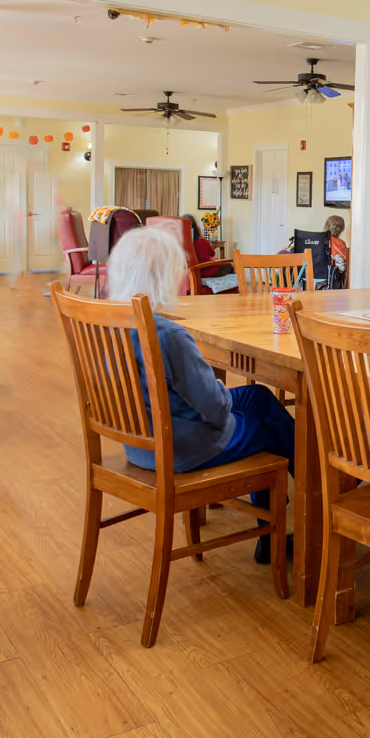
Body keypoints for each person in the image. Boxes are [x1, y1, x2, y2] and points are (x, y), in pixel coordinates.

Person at [105, 225, 290, 561]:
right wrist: (215, 386)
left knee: (260, 397)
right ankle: (299, 510)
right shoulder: (168, 335)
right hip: (184, 450)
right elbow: (217, 410)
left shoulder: (109, 324)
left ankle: (297, 499)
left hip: (140, 444)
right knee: (268, 429)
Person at [323, 213, 349, 289]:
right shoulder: (341, 243)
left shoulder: (319, 241)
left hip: (316, 273)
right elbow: (344, 262)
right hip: (332, 275)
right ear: (341, 229)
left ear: (326, 226)